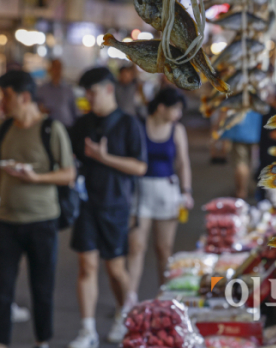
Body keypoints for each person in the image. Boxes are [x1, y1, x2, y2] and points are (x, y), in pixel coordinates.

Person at [68, 67, 147, 347]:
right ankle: (87, 329)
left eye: (93, 92)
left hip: (116, 204)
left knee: (115, 269)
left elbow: (139, 167)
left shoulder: (129, 124)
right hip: (86, 203)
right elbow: (70, 159)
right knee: (87, 265)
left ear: (109, 89)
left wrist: (105, 157)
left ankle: (125, 313)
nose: (89, 98)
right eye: (86, 93)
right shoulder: (82, 124)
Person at [0, 70, 76, 348]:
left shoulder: (50, 129)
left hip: (42, 221)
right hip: (6, 220)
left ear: (24, 97)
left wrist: (37, 178)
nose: (2, 103)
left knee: (42, 289)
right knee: (2, 290)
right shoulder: (5, 128)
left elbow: (69, 174)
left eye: (6, 96)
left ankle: (42, 341)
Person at [128, 88, 194, 302]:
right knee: (136, 246)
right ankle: (129, 299)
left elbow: (183, 163)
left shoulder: (177, 130)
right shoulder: (139, 125)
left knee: (163, 249)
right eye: (175, 109)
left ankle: (164, 297)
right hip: (140, 192)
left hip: (167, 193)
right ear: (161, 108)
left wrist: (187, 191)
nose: (178, 114)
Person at [222, 109, 263, 199]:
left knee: (240, 162)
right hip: (254, 129)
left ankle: (241, 191)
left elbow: (227, 109)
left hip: (239, 130)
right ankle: (244, 188)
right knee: (248, 162)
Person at [37, 59, 79, 127]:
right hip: (49, 126)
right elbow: (36, 106)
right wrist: (41, 109)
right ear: (50, 69)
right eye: (55, 67)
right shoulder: (42, 89)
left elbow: (74, 110)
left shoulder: (68, 89)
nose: (57, 70)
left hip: (66, 125)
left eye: (59, 67)